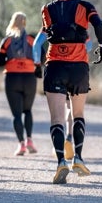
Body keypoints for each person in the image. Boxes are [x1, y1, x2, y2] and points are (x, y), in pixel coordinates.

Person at [40, 0, 102, 185]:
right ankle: (78, 157)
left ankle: (61, 162)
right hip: (78, 67)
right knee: (77, 114)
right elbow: (98, 24)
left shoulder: (47, 9)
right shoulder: (85, 6)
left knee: (56, 119)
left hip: (55, 65)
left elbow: (46, 33)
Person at [0, 12, 39, 157]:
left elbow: (0, 62)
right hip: (29, 78)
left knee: (16, 114)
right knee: (27, 111)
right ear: (25, 23)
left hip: (12, 78)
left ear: (12, 22)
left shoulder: (6, 41)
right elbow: (42, 57)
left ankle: (21, 145)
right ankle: (30, 141)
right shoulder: (32, 40)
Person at [32, 29, 75, 160]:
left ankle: (59, 149)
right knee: (70, 106)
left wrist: (37, 64)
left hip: (55, 67)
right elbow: (88, 45)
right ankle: (69, 137)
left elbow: (36, 44)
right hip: (75, 67)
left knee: (57, 114)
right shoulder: (78, 18)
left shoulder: (50, 18)